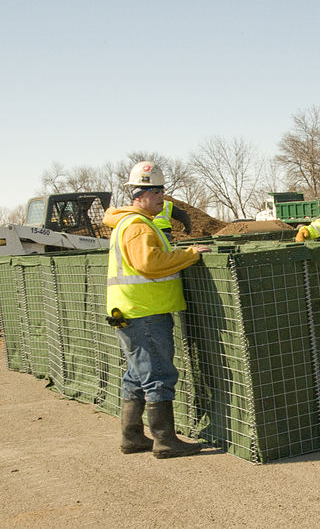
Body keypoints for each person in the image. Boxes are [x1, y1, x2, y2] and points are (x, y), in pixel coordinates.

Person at [104, 160, 211, 458]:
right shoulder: (138, 227)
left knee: (136, 375)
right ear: (141, 194)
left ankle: (132, 437)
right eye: (158, 192)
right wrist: (189, 255)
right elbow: (149, 264)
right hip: (143, 312)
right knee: (158, 375)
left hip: (124, 310)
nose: (163, 197)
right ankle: (165, 441)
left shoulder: (127, 223)